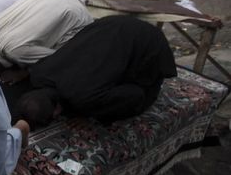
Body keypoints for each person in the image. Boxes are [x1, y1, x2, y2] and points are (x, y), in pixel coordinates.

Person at [18, 15, 177, 127]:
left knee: (143, 96)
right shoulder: (39, 74)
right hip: (113, 24)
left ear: (57, 110)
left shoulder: (85, 99)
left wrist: (95, 116)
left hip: (150, 42)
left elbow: (135, 95)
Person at [0, 0, 94, 75]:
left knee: (69, 58)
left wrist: (24, 72)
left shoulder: (16, 53)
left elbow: (58, 58)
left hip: (78, 14)